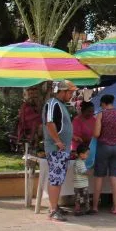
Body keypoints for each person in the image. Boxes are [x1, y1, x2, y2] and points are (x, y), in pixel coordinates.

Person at [42, 80, 77, 221]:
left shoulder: (60, 105)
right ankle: (52, 210)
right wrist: (57, 141)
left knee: (58, 179)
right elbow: (49, 123)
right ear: (63, 91)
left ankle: (55, 206)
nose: (72, 95)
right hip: (56, 148)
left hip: (62, 148)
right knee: (55, 179)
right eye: (71, 92)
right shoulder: (52, 104)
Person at [93, 93, 116, 214]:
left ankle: (95, 207)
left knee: (99, 177)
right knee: (114, 177)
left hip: (104, 147)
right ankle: (115, 207)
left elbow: (97, 134)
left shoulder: (101, 115)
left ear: (103, 103)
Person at [73, 144, 91, 216]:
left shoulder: (80, 161)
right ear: (81, 154)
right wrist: (89, 171)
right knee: (85, 197)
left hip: (79, 184)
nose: (88, 155)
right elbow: (82, 172)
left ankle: (80, 209)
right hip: (81, 184)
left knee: (78, 198)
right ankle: (85, 209)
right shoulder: (79, 162)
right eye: (87, 154)